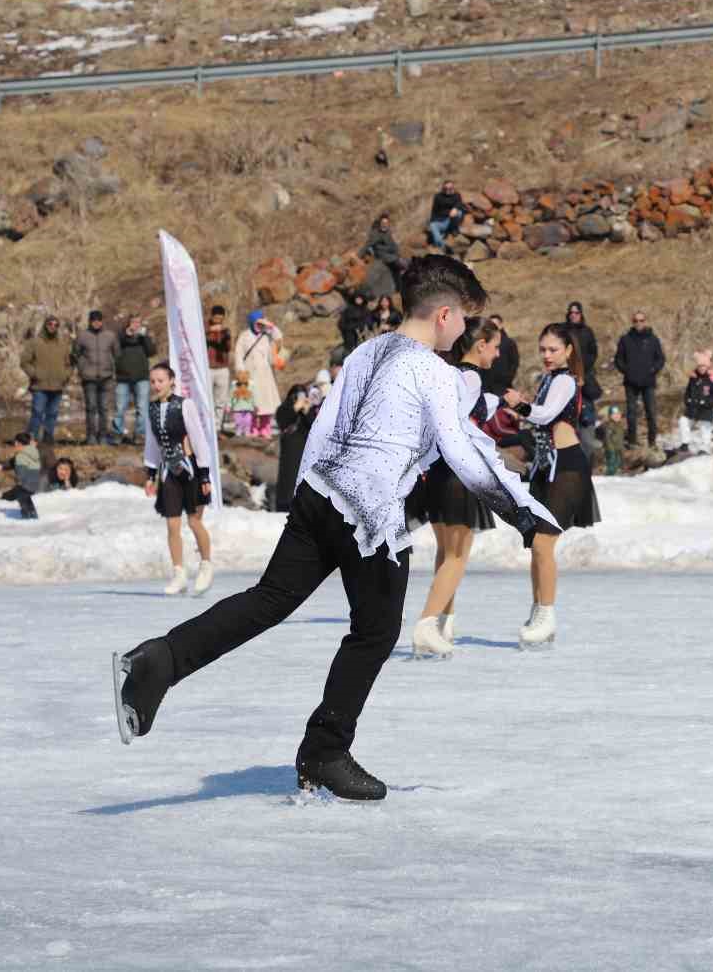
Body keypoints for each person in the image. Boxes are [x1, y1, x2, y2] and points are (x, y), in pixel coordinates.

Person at [112, 255, 557, 802]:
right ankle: (324, 751)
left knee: (269, 599)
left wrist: (305, 497)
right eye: (464, 317)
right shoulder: (435, 372)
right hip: (369, 513)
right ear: (444, 314)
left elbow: (326, 426)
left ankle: (160, 660)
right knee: (376, 631)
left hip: (319, 493)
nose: (465, 328)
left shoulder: (366, 351)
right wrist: (522, 514)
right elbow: (462, 452)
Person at [407, 317, 506, 658]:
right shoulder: (470, 377)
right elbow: (454, 421)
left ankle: (443, 622)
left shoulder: (449, 373)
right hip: (456, 474)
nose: (497, 354)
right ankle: (427, 624)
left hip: (438, 473)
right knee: (457, 555)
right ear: (481, 345)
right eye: (495, 347)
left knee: (445, 552)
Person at [503, 322, 599, 647]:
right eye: (542, 349)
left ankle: (546, 614)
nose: (546, 355)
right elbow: (541, 418)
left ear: (568, 351)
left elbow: (544, 415)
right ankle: (538, 612)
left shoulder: (565, 380)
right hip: (546, 468)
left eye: (553, 349)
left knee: (544, 543)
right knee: (537, 544)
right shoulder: (549, 379)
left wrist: (520, 405)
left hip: (567, 468)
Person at [144, 362, 215, 597]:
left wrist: (204, 474)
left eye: (160, 381)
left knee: (194, 522)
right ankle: (179, 574)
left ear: (171, 381)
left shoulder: (185, 405)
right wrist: (150, 474)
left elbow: (198, 439)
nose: (156, 385)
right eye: (153, 381)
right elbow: (152, 443)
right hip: (168, 473)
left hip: (191, 470)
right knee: (172, 525)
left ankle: (206, 566)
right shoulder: (152, 408)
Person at [612, 309, 663, 448]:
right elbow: (618, 359)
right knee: (631, 413)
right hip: (631, 382)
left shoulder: (652, 339)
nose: (638, 323)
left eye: (641, 320)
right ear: (632, 322)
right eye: (635, 321)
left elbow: (660, 359)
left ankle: (652, 442)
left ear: (645, 322)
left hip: (648, 381)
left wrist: (653, 370)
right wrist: (626, 371)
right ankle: (632, 441)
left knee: (651, 412)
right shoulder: (625, 339)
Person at [234, 311, 284, 438]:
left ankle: (265, 427)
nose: (259, 325)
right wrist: (240, 370)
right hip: (250, 373)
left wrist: (270, 325)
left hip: (265, 374)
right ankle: (252, 427)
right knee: (252, 402)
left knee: (266, 402)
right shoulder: (244, 336)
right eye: (257, 323)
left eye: (261, 323)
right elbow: (238, 354)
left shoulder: (266, 335)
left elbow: (278, 337)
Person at [73, 309, 120, 446]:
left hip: (106, 377)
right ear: (90, 321)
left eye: (99, 320)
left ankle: (103, 436)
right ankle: (91, 436)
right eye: (94, 320)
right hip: (89, 378)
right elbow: (75, 354)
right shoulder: (82, 336)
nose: (96, 323)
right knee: (91, 408)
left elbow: (117, 353)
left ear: (102, 321)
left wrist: (113, 369)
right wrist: (82, 368)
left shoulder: (110, 336)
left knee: (104, 409)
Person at [21, 316, 69, 445]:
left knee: (52, 414)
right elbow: (24, 362)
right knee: (37, 413)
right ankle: (31, 439)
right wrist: (35, 374)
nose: (52, 327)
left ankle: (48, 438)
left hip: (57, 385)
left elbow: (69, 364)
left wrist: (65, 376)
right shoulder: (34, 342)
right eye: (50, 324)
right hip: (39, 385)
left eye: (55, 325)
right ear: (45, 325)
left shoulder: (63, 344)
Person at [114, 314, 157, 445]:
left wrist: (144, 337)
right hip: (123, 378)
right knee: (120, 408)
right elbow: (116, 347)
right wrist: (127, 334)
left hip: (141, 378)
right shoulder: (121, 336)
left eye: (138, 322)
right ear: (128, 323)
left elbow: (151, 351)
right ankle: (118, 433)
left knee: (142, 408)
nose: (136, 325)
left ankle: (140, 434)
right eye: (133, 322)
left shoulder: (143, 337)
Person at [272, 384, 314, 514]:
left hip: (304, 451)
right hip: (289, 451)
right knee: (287, 479)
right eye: (298, 395)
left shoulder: (308, 410)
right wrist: (295, 408)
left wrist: (307, 411)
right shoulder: (284, 408)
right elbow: (282, 421)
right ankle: (284, 505)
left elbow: (314, 427)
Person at [678, 350, 713, 455]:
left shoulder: (712, 378)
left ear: (707, 366)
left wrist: (707, 402)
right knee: (683, 421)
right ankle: (685, 444)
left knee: (705, 425)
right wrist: (687, 400)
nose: (701, 368)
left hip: (706, 408)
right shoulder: (693, 377)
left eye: (704, 366)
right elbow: (688, 391)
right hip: (693, 407)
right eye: (700, 366)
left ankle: (705, 447)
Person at [562, 301, 602, 409]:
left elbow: (593, 352)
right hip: (567, 374)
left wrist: (584, 367)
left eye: (576, 313)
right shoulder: (563, 331)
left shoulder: (587, 331)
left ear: (581, 314)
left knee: (587, 406)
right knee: (569, 407)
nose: (573, 315)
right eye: (571, 313)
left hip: (585, 374)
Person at [0, 431, 41, 520]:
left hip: (26, 483)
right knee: (26, 498)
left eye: (15, 444)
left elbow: (20, 470)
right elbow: (13, 462)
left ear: (17, 443)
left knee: (22, 497)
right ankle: (33, 515)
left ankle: (27, 517)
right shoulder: (33, 452)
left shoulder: (20, 456)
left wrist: (20, 480)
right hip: (35, 483)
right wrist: (3, 467)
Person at [359, 213, 405, 293]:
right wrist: (358, 255)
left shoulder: (388, 232)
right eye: (383, 223)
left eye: (386, 223)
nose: (385, 225)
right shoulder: (375, 234)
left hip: (392, 256)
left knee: (399, 268)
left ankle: (399, 288)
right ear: (380, 223)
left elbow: (393, 245)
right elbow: (367, 245)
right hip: (384, 257)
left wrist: (398, 253)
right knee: (399, 265)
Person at [206, 305, 233, 434]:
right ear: (211, 316)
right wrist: (210, 331)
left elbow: (228, 348)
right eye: (216, 318)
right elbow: (197, 340)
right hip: (207, 368)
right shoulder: (203, 328)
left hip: (222, 368)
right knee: (207, 399)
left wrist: (225, 336)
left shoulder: (225, 330)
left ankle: (217, 428)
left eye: (220, 319)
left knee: (221, 400)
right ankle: (207, 427)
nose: (218, 321)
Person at [481, 313, 520, 396]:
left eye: (495, 324)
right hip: (487, 383)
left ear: (501, 325)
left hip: (504, 384)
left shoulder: (509, 342)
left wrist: (508, 377)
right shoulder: (485, 342)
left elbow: (514, 362)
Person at [426, 180, 467, 249]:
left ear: (453, 188)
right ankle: (442, 246)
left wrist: (455, 208)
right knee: (432, 225)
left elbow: (460, 203)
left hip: (451, 221)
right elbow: (436, 211)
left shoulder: (457, 195)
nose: (447, 190)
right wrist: (449, 212)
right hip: (441, 221)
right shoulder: (438, 197)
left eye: (450, 188)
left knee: (459, 213)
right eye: (445, 188)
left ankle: (452, 230)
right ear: (442, 188)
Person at [230, 372, 256, 437]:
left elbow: (254, 396)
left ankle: (247, 431)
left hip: (248, 408)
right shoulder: (234, 386)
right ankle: (238, 431)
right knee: (238, 421)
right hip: (237, 408)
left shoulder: (250, 386)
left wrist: (255, 405)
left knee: (248, 422)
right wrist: (229, 405)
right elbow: (230, 396)